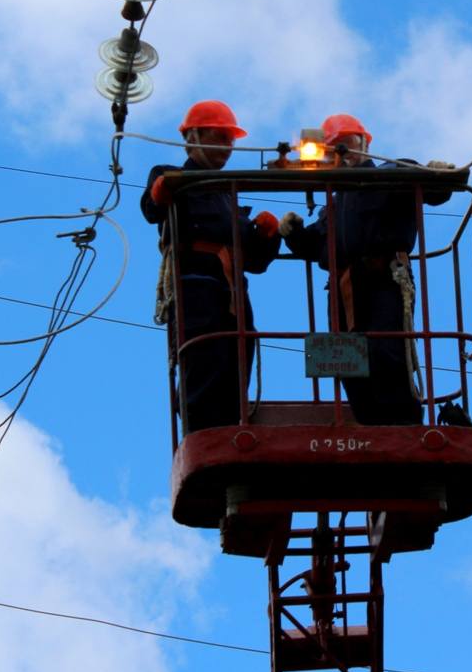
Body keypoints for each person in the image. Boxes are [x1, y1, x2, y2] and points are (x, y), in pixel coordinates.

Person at [279, 114, 454, 425]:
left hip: (385, 280)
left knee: (386, 352)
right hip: (345, 288)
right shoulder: (333, 205)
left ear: (365, 143)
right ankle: (368, 422)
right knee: (345, 359)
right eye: (334, 149)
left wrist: (436, 176)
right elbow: (319, 247)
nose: (342, 153)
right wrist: (294, 234)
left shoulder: (392, 172)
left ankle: (403, 424)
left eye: (346, 144)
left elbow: (429, 191)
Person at [142, 100, 281, 432]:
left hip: (232, 296)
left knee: (236, 359)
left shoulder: (227, 197)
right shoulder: (173, 177)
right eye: (219, 137)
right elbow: (151, 209)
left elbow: (257, 262)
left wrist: (267, 235)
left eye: (230, 140)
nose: (227, 146)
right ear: (192, 137)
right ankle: (202, 431)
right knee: (204, 360)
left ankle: (231, 426)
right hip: (196, 289)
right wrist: (161, 192)